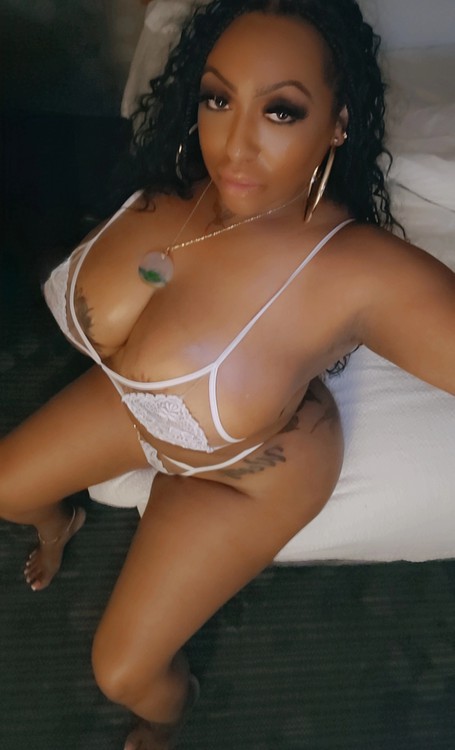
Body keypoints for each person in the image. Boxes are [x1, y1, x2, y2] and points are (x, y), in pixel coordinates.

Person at [1, 0, 454, 748]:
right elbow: (140, 279)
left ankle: (164, 724)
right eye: (218, 99)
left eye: (280, 111)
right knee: (10, 489)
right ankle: (61, 523)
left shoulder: (358, 271)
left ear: (336, 124)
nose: (235, 144)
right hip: (140, 411)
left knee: (124, 675)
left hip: (253, 471)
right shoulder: (175, 190)